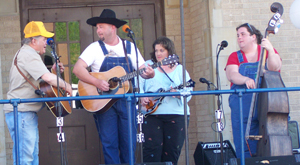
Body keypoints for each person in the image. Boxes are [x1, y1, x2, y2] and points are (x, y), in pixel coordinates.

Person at [72, 9, 155, 164]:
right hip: (104, 102)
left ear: (112, 27)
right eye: (97, 28)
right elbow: (77, 69)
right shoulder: (94, 48)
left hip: (127, 101)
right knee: (109, 144)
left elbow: (143, 70)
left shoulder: (129, 47)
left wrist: (150, 74)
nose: (98, 31)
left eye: (101, 27)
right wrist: (97, 82)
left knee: (129, 144)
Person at [3, 21, 72, 165]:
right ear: (33, 40)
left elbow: (42, 82)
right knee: (25, 159)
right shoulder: (28, 54)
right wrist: (67, 86)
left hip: (24, 112)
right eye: (44, 39)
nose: (46, 42)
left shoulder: (28, 53)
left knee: (32, 158)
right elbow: (46, 78)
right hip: (21, 112)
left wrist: (53, 70)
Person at [225, 23, 282, 158]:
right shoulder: (234, 56)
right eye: (238, 35)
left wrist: (271, 50)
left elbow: (275, 68)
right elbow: (231, 74)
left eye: (243, 34)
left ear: (253, 37)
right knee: (243, 143)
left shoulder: (267, 52)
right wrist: (245, 80)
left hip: (267, 105)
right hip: (243, 108)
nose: (239, 38)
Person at [140, 36, 193, 165]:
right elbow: (138, 86)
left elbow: (189, 91)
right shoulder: (147, 66)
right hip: (151, 114)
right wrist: (142, 97)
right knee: (151, 152)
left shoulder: (180, 69)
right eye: (156, 50)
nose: (158, 53)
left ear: (169, 51)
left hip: (177, 115)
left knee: (172, 152)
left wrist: (178, 94)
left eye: (162, 50)